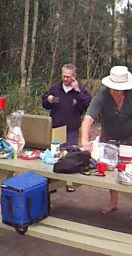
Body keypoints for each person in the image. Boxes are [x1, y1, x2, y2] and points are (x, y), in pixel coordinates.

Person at [81, 66, 132, 219]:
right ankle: (113, 201)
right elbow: (88, 118)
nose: (118, 91)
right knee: (111, 169)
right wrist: (85, 140)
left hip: (131, 136)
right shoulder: (101, 97)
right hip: (109, 136)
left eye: (121, 89)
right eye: (115, 88)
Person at [42, 63, 91, 192]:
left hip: (71, 128)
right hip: (56, 127)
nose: (65, 79)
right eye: (64, 76)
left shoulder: (80, 90)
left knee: (70, 155)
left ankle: (69, 183)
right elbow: (45, 103)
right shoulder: (55, 88)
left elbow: (86, 105)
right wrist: (49, 100)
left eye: (68, 77)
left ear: (74, 77)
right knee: (54, 156)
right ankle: (52, 182)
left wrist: (78, 92)